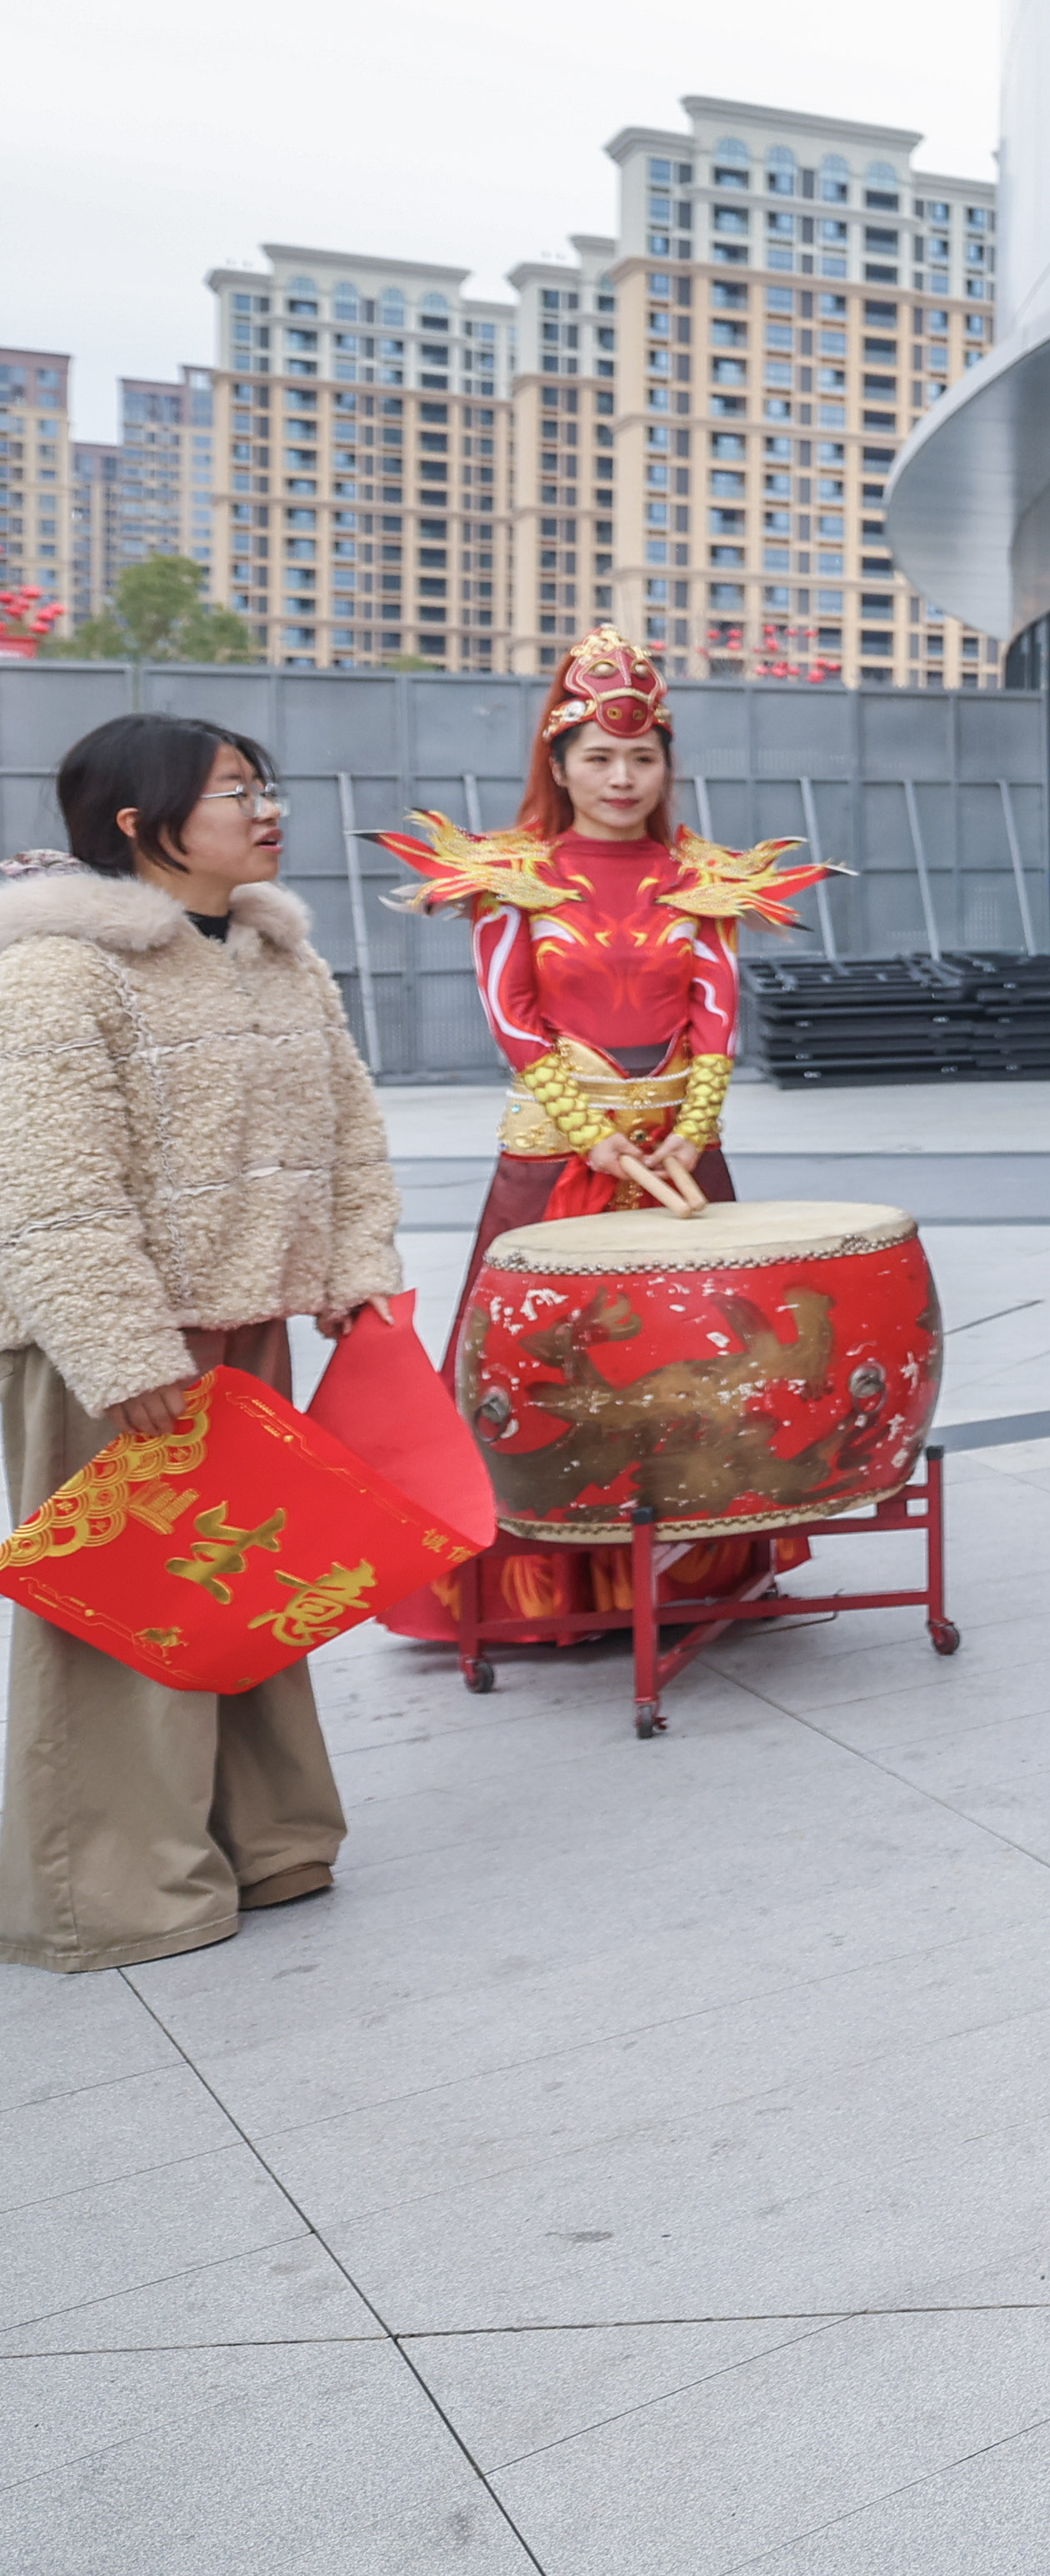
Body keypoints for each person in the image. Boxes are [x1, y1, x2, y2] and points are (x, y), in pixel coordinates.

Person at [0, 716, 402, 1972]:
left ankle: (269, 1841)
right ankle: (107, 1891)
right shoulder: (57, 971)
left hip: (243, 1324)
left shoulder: (278, 956)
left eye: (264, 785)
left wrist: (354, 1273)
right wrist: (123, 1355)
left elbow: (350, 1134)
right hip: (103, 1345)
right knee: (119, 1619)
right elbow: (47, 1187)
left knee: (250, 1588)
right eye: (235, 790)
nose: (265, 808)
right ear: (135, 822)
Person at [367, 624, 826, 1638]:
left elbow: (716, 1020)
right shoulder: (508, 874)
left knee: (708, 1358)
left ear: (666, 764)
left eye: (642, 756)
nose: (622, 776)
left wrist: (684, 1130)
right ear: (559, 763)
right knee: (540, 1365)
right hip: (557, 1158)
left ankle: (702, 1577)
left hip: (679, 1152)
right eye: (600, 757)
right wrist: (595, 1136)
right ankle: (541, 1595)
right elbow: (513, 1022)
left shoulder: (709, 875)